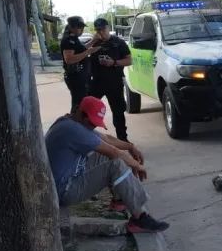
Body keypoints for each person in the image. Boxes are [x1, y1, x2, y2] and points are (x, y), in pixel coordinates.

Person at [45, 96, 169, 233]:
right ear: (80, 113)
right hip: (64, 190)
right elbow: (114, 152)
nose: (92, 127)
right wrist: (137, 166)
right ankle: (140, 218)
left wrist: (130, 146)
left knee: (106, 155)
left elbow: (106, 139)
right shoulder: (73, 130)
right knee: (115, 164)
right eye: (91, 123)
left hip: (65, 178)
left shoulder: (70, 122)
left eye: (95, 124)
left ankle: (119, 199)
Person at [89, 18, 132, 141]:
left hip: (114, 82)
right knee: (88, 110)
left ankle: (123, 139)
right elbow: (80, 53)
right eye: (98, 30)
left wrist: (114, 62)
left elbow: (129, 60)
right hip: (97, 82)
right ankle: (87, 138)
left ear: (108, 28)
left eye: (103, 29)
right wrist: (92, 42)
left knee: (118, 112)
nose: (101, 32)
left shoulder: (118, 42)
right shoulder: (93, 43)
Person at [61, 16, 101, 112]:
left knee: (82, 103)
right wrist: (89, 52)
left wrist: (93, 41)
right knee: (78, 105)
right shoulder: (68, 40)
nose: (82, 29)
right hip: (75, 76)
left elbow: (81, 49)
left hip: (80, 76)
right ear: (72, 27)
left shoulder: (74, 38)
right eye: (79, 27)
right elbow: (69, 59)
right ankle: (75, 120)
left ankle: (78, 120)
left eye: (82, 27)